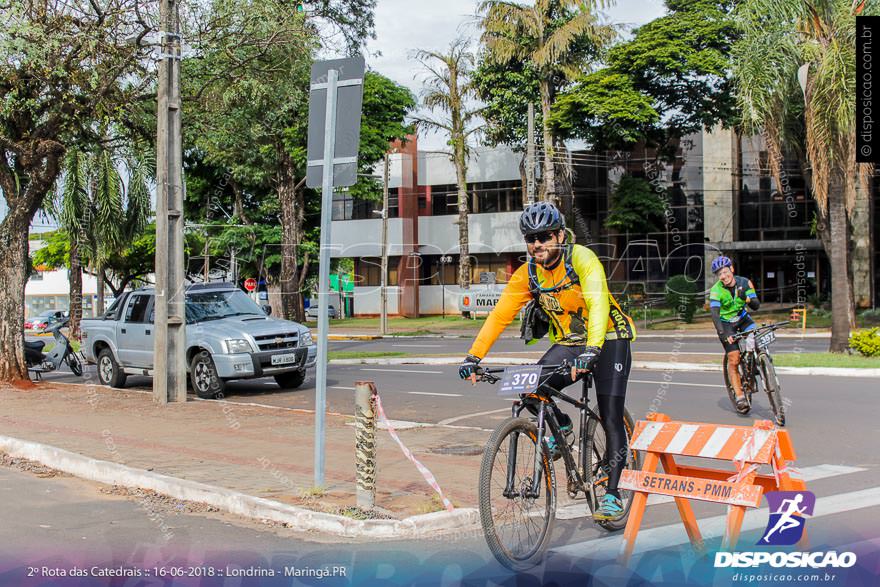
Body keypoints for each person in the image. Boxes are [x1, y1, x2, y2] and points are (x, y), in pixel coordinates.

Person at [458, 202, 636, 521]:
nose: (537, 244)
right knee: (529, 386)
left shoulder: (581, 258)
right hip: (569, 342)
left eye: (543, 237)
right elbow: (500, 315)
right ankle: (562, 426)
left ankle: (612, 494)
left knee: (610, 414)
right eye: (530, 238)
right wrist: (474, 356)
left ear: (558, 236)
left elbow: (597, 303)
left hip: (608, 339)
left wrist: (592, 349)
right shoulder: (528, 274)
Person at [708, 256, 760, 412]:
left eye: (725, 272)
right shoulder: (716, 291)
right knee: (734, 358)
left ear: (732, 269)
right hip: (726, 324)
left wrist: (747, 298)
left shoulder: (745, 283)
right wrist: (724, 335)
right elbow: (715, 315)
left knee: (755, 337)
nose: (723, 276)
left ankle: (756, 365)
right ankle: (739, 396)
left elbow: (756, 306)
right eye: (719, 274)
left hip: (742, 318)